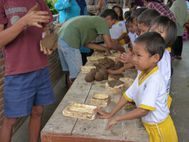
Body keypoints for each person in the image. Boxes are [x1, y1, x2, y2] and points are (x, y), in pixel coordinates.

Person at [97, 32, 178, 142]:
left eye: (138, 55)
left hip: (159, 130)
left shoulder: (155, 79)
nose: (133, 59)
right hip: (150, 126)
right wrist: (111, 113)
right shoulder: (143, 73)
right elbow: (127, 95)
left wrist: (117, 118)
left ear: (155, 58)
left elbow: (143, 110)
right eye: (133, 54)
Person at [0, 1, 55, 142]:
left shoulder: (39, 2)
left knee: (37, 112)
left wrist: (49, 39)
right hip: (17, 71)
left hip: (41, 67)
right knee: (10, 120)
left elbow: (47, 28)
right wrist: (24, 21)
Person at [57, 9, 119, 87]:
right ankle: (76, 93)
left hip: (61, 39)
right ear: (109, 18)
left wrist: (105, 49)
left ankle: (70, 92)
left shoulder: (92, 21)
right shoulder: (101, 21)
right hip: (69, 39)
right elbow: (110, 44)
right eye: (112, 24)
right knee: (77, 73)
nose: (110, 27)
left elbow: (87, 44)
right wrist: (120, 48)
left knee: (70, 71)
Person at [150, 16, 177, 108]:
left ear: (169, 38)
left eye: (160, 32)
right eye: (152, 29)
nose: (154, 33)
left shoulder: (161, 57)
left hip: (156, 103)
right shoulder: (158, 51)